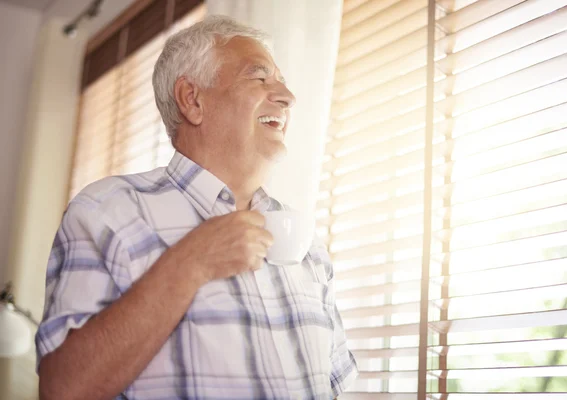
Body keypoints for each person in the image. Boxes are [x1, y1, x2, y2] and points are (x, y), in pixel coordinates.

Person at [36, 15, 357, 400]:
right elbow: (64, 390)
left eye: (282, 81)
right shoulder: (106, 211)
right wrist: (191, 264)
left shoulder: (304, 242)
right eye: (260, 77)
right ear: (192, 99)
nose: (287, 96)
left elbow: (336, 386)